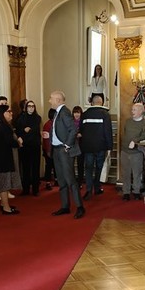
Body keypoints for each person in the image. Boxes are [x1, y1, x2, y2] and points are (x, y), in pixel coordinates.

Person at [48, 91, 84, 219]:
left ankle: (80, 207)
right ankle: (65, 206)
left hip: (64, 151)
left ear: (58, 100)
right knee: (61, 181)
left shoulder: (64, 112)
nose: (49, 100)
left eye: (51, 98)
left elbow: (73, 130)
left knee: (70, 180)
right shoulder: (57, 112)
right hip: (57, 150)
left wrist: (67, 146)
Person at [80, 92, 113, 198]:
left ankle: (88, 190)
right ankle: (97, 187)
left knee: (88, 168)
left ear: (92, 103)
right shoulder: (105, 114)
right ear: (101, 102)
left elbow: (81, 130)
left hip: (88, 146)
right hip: (101, 146)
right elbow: (108, 132)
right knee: (99, 168)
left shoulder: (85, 114)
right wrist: (109, 147)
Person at [0, 104, 21, 215]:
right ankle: (6, 208)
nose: (11, 113)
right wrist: (18, 142)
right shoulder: (4, 127)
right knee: (3, 184)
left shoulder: (0, 126)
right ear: (2, 114)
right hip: (3, 160)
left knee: (3, 183)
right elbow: (10, 142)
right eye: (9, 111)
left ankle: (4, 204)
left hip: (1, 159)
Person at [121, 102, 145, 201]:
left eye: (134, 110)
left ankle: (136, 191)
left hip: (137, 152)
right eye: (132, 109)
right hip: (125, 151)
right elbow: (125, 132)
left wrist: (135, 141)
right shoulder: (128, 121)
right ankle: (126, 192)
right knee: (126, 173)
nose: (132, 111)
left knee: (137, 173)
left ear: (141, 111)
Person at [17, 100, 42, 196]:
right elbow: (18, 131)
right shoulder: (21, 118)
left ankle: (35, 190)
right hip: (25, 146)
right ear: (26, 108)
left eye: (33, 106)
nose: (31, 108)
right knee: (25, 168)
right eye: (29, 106)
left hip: (35, 146)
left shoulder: (38, 118)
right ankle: (25, 189)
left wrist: (26, 131)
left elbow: (35, 130)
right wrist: (24, 131)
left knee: (35, 168)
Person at [42, 108, 57, 191]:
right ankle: (48, 182)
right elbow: (46, 139)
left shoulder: (56, 123)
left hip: (55, 148)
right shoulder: (47, 125)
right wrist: (48, 150)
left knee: (55, 165)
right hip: (49, 149)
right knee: (49, 165)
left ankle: (56, 180)